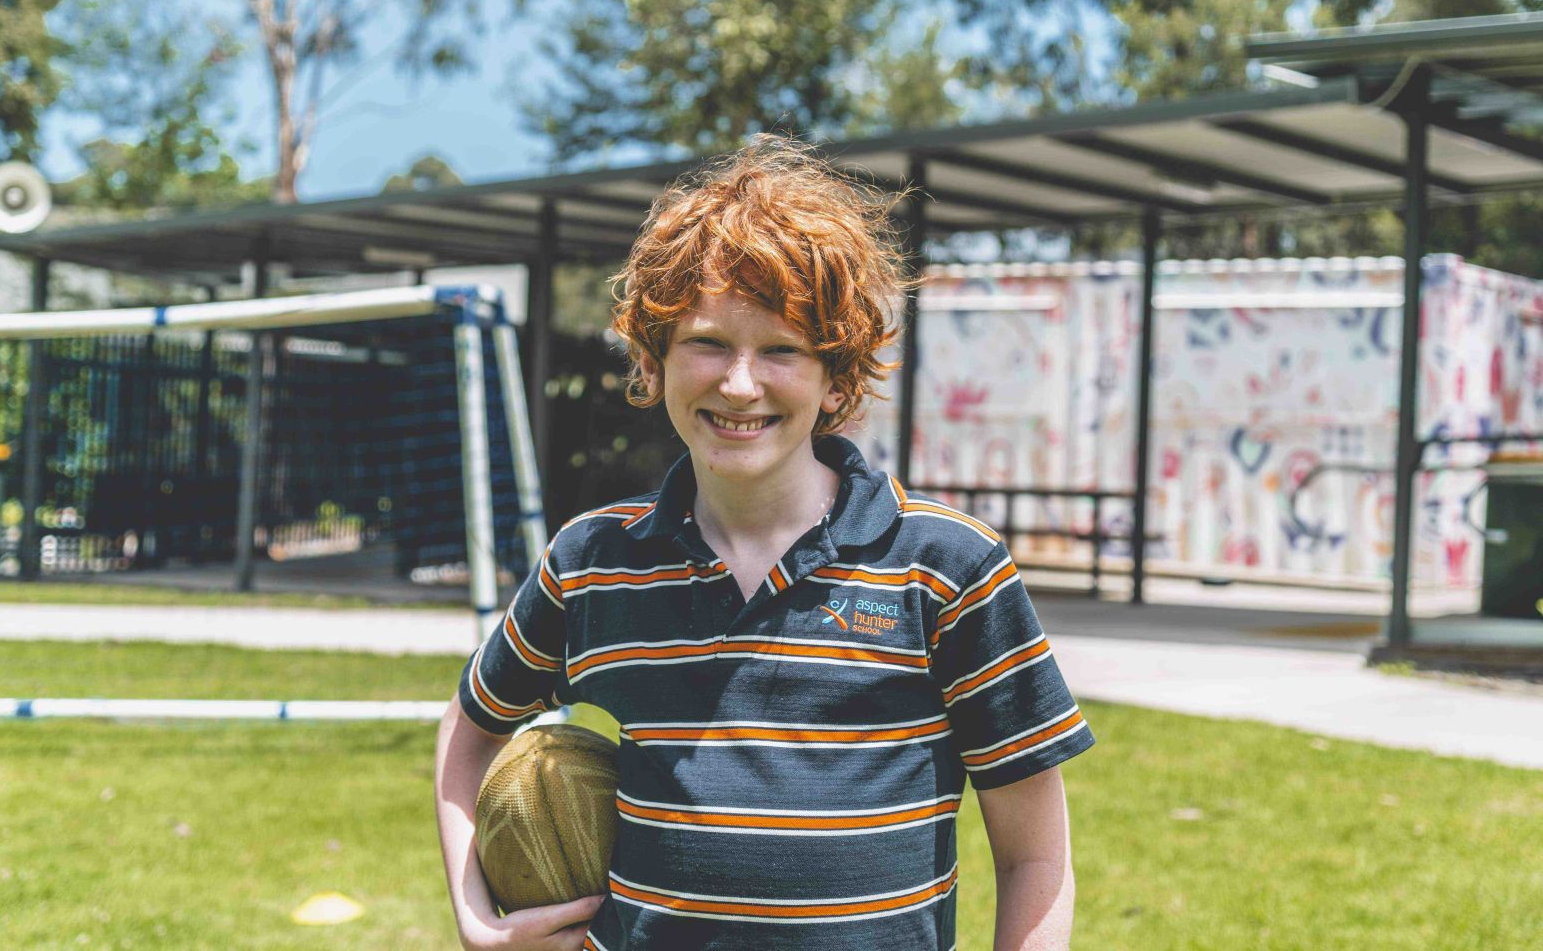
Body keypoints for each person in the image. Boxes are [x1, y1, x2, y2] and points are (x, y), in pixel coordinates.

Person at [435, 136, 1095, 951]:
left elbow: (1036, 859)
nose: (740, 384)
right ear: (653, 358)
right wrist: (476, 914)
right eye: (708, 342)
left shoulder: (948, 566)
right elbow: (469, 733)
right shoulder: (591, 565)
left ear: (837, 377)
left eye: (782, 350)